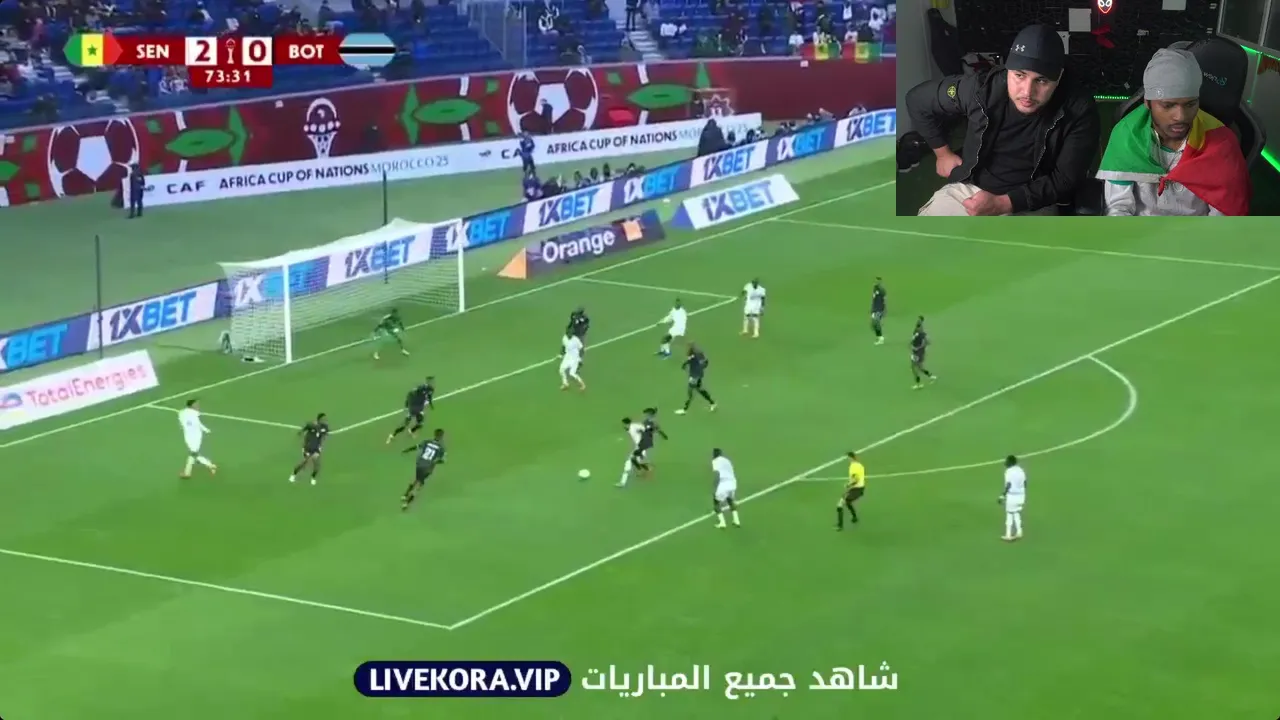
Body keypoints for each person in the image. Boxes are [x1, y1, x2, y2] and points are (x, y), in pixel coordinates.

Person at [905, 24, 1100, 216]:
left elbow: (1065, 179)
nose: (1027, 92)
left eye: (1041, 80)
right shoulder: (980, 89)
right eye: (1019, 76)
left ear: (1059, 77)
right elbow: (917, 100)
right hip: (970, 189)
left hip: (1034, 201)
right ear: (1008, 70)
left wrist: (1003, 204)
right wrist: (942, 154)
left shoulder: (1079, 109)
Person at [1098, 49, 1250, 216]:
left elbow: (1224, 214)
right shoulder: (1127, 136)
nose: (1181, 117)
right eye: (1168, 105)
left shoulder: (1221, 142)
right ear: (1147, 102)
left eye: (1190, 104)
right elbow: (1118, 207)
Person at [178, 398, 217, 478]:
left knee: (193, 453)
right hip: (196, 436)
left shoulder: (181, 412)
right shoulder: (195, 413)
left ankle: (188, 473)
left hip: (188, 436)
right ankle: (210, 465)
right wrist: (206, 430)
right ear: (191, 405)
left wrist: (182, 426)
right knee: (194, 454)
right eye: (196, 404)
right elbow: (198, 424)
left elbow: (181, 422)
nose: (198, 406)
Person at [998, 455, 1027, 541]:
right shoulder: (1021, 470)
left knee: (1009, 514)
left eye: (1006, 461)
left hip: (1012, 496)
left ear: (1010, 462)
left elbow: (1009, 484)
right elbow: (1025, 483)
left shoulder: (1009, 471)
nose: (1005, 463)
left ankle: (1008, 535)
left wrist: (1003, 495)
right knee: (1016, 513)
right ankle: (1019, 532)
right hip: (1021, 495)